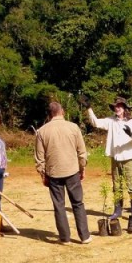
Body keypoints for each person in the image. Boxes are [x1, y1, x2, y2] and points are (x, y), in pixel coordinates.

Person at [81, 95, 132, 230]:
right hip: (115, 158)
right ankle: (117, 210)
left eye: (119, 106)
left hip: (128, 158)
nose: (117, 109)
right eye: (115, 107)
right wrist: (89, 108)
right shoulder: (111, 121)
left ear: (125, 108)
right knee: (116, 185)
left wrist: (131, 134)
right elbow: (96, 123)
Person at [35, 102, 92, 245]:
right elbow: (82, 152)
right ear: (63, 112)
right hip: (72, 171)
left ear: (49, 114)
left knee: (59, 205)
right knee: (78, 203)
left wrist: (43, 174)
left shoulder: (42, 131)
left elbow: (39, 158)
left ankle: (65, 238)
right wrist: (82, 167)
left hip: (53, 173)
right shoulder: (73, 127)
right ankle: (84, 236)